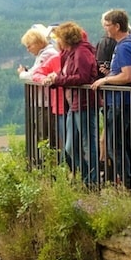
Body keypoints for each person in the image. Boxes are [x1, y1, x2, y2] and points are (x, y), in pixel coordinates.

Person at [91, 9, 131, 192]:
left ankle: (129, 184)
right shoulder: (127, 44)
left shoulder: (124, 46)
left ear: (117, 26)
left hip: (122, 103)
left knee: (115, 146)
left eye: (107, 25)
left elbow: (127, 76)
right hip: (126, 102)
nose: (105, 28)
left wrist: (105, 79)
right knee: (124, 145)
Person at [43, 22, 100, 186]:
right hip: (74, 103)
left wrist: (58, 80)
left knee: (88, 143)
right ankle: (87, 176)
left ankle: (93, 181)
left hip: (84, 103)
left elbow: (82, 77)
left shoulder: (82, 52)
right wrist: (54, 79)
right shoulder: (70, 53)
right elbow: (65, 74)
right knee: (70, 147)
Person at [19, 24, 63, 159]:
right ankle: (46, 163)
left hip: (46, 101)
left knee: (46, 135)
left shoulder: (48, 54)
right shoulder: (42, 54)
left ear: (38, 42)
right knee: (42, 134)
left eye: (29, 45)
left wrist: (22, 74)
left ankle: (49, 164)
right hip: (42, 101)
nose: (28, 50)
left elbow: (34, 75)